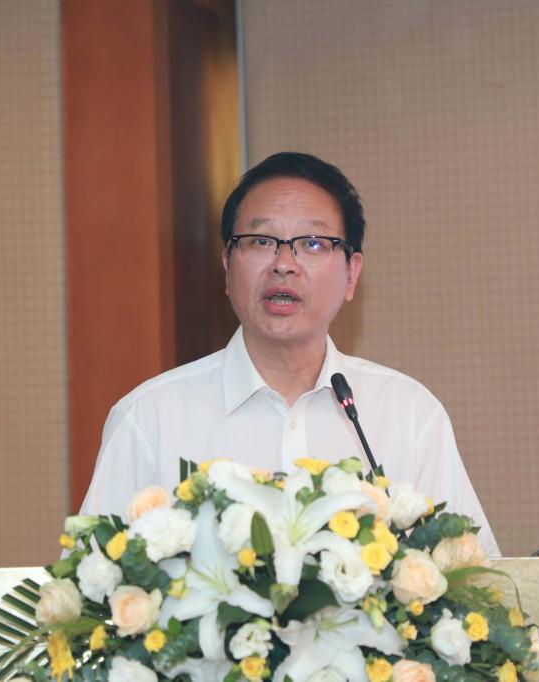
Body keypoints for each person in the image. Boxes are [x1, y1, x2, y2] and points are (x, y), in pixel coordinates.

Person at [79, 152, 499, 556]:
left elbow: (474, 579)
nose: (284, 263)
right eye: (261, 241)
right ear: (227, 266)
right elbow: (92, 588)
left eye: (313, 243)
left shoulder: (409, 415)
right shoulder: (150, 419)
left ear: (351, 274)